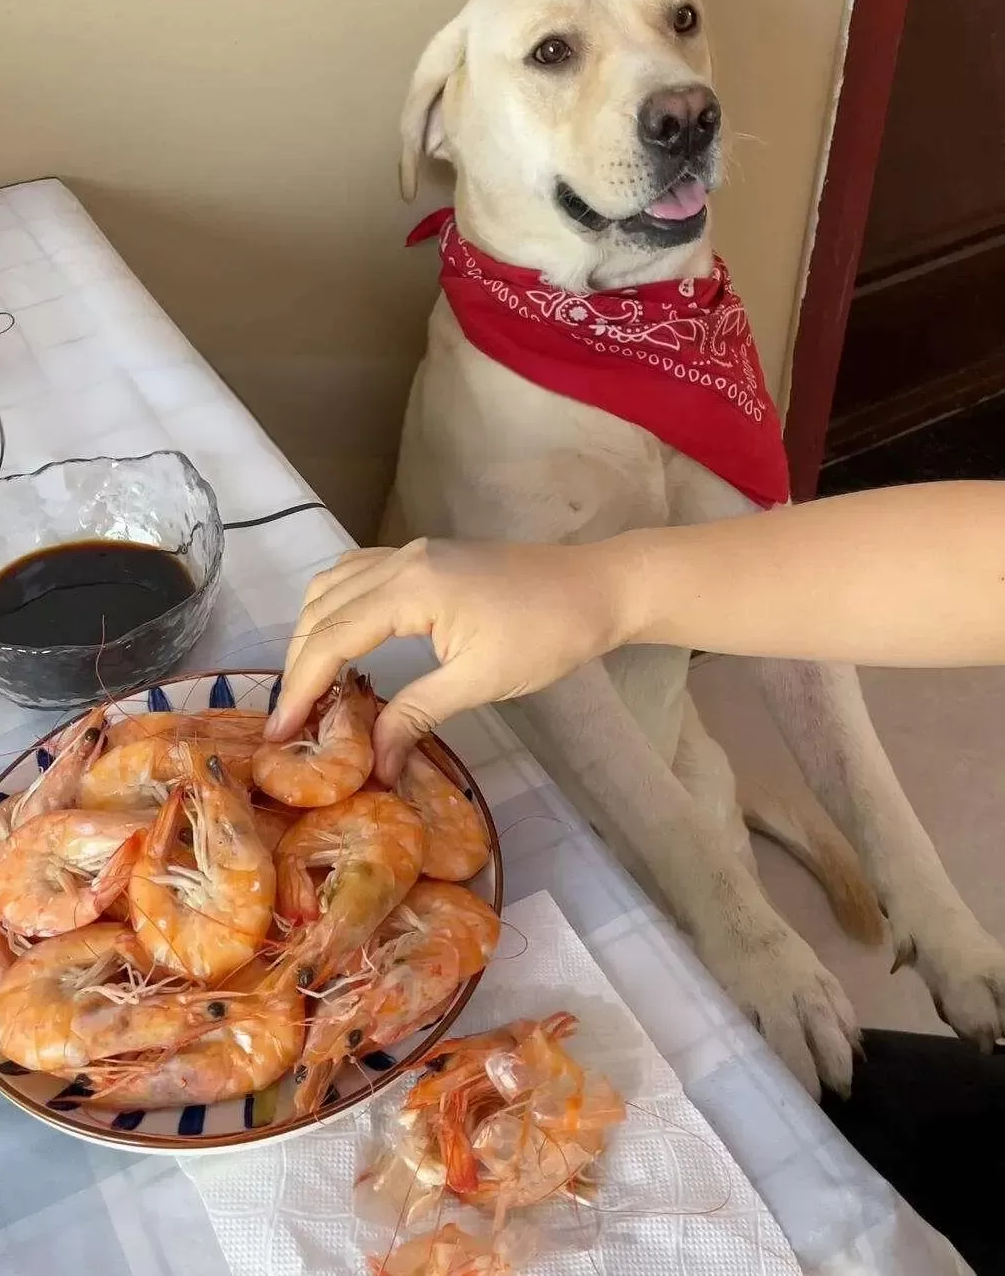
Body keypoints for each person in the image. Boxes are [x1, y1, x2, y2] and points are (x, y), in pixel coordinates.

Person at [270, 479, 1005, 1274]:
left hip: (638, 794)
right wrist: (604, 589)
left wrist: (905, 898)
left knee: (780, 1128)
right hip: (508, 778)